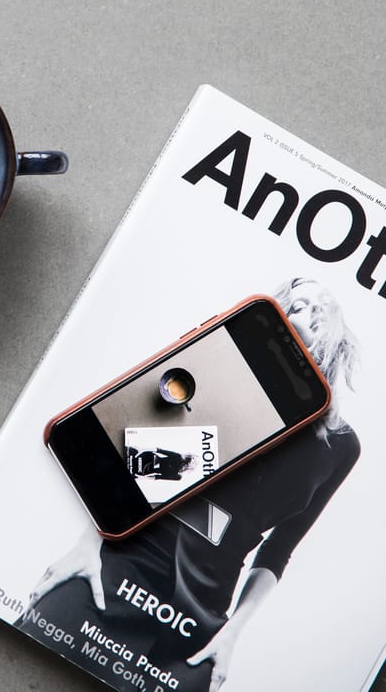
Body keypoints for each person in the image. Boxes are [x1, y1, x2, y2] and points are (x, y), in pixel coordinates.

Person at [18, 279, 360, 692]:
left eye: (311, 309)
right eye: (291, 305)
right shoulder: (236, 382)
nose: (294, 314)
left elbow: (279, 550)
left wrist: (233, 634)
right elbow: (143, 463)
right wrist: (87, 545)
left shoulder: (341, 446)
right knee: (34, 644)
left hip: (204, 616)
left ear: (334, 339)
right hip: (130, 560)